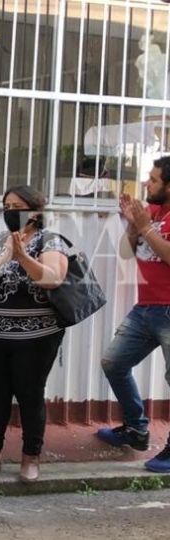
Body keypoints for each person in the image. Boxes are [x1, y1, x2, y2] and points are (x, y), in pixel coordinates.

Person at [0, 186, 69, 482]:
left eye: (17, 207)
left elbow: (52, 278)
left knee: (30, 394)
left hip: (36, 338)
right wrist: (5, 256)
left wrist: (22, 256)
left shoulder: (50, 241)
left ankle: (30, 457)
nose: (10, 211)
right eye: (6, 206)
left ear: (35, 212)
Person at [96, 156, 170, 473]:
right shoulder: (150, 212)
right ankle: (136, 429)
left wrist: (144, 227)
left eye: (153, 180)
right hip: (146, 308)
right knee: (113, 362)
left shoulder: (150, 219)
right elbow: (127, 254)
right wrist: (131, 226)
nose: (146, 184)